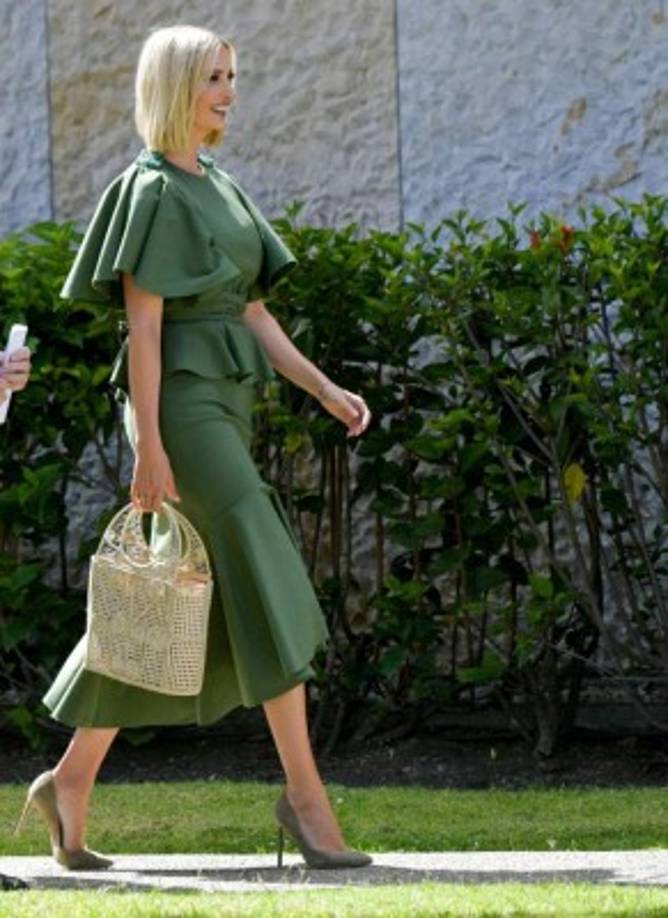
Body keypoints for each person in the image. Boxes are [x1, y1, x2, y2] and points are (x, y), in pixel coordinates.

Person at [15, 25, 373, 871]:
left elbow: (250, 309)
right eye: (213, 77)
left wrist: (322, 387)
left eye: (232, 75)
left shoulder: (218, 182)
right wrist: (147, 449)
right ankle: (306, 800)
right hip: (176, 406)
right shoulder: (147, 191)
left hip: (228, 397)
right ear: (175, 85)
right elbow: (143, 326)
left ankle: (68, 783)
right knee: (257, 551)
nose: (229, 91)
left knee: (168, 599)